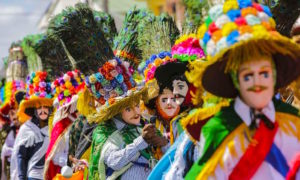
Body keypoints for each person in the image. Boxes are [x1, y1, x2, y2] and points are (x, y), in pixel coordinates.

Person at [186, 0, 300, 179]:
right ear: (235, 80)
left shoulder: (294, 122)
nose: (257, 83)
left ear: (275, 75)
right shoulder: (218, 129)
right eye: (248, 76)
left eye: (264, 73)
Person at [86, 58, 167, 179]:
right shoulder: (103, 132)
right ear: (116, 112)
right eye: (128, 109)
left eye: (136, 106)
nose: (136, 112)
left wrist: (163, 144)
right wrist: (141, 142)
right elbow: (114, 162)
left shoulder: (142, 123)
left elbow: (168, 152)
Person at [11, 71, 53, 180]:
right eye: (39, 108)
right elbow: (21, 156)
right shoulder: (27, 129)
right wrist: (21, 177)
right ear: (34, 110)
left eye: (45, 107)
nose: (42, 111)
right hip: (33, 176)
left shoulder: (54, 127)